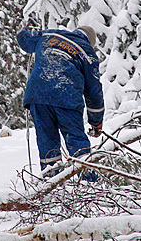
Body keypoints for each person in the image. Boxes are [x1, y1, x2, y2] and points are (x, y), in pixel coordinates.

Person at [17, 26, 104, 181]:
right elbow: (94, 91)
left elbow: (23, 38)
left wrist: (32, 34)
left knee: (47, 142)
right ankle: (90, 185)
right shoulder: (87, 52)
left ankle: (52, 184)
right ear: (90, 41)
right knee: (76, 140)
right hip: (67, 97)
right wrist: (96, 122)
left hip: (38, 96)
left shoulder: (51, 35)